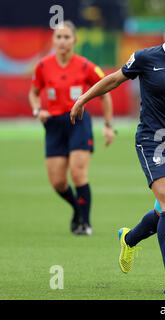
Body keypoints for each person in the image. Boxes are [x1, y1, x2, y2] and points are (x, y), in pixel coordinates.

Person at [70, 11, 165, 294]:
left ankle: (129, 239)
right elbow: (114, 80)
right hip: (152, 141)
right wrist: (84, 98)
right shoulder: (146, 57)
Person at [28, 20, 115, 236]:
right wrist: (38, 110)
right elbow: (33, 92)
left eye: (67, 37)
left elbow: (106, 93)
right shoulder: (42, 66)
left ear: (74, 40)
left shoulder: (86, 66)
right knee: (58, 182)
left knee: (77, 174)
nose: (62, 41)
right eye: (59, 37)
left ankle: (85, 223)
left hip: (78, 121)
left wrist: (108, 125)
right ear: (54, 40)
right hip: (54, 125)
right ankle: (77, 210)